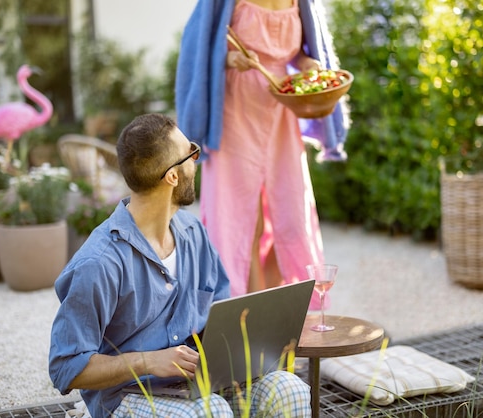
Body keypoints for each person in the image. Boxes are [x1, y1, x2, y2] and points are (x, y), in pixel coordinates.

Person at [48, 113, 311, 418]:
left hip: (199, 384)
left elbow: (221, 309)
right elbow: (65, 367)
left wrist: (255, 341)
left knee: (288, 390)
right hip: (127, 396)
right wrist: (147, 361)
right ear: (172, 176)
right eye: (191, 153)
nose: (195, 162)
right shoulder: (99, 263)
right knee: (210, 413)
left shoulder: (193, 233)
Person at [175, 0, 350, 308]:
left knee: (292, 217)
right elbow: (196, 46)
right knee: (239, 221)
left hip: (280, 111)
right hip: (234, 112)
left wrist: (307, 63)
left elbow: (295, 50)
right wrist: (231, 59)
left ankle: (289, 311)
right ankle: (240, 317)